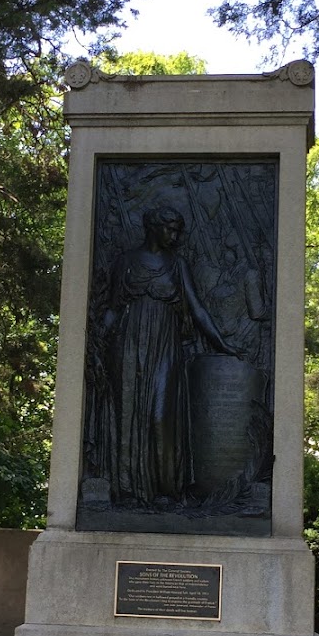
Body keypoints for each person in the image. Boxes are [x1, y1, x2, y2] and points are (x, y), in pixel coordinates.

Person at [96, 204, 231, 508]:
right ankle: (128, 492)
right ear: (152, 227)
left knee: (160, 416)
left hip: (164, 346)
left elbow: (196, 308)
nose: (174, 235)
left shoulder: (177, 264)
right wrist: (97, 345)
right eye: (169, 228)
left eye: (177, 230)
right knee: (127, 413)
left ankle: (165, 490)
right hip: (128, 345)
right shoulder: (126, 262)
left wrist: (220, 343)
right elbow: (113, 310)